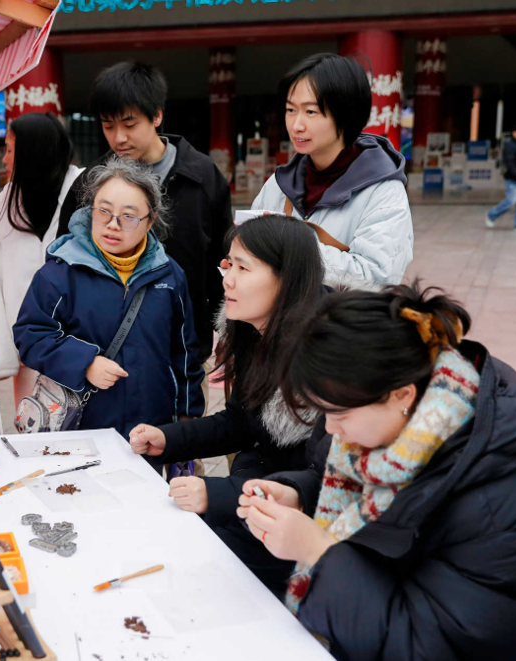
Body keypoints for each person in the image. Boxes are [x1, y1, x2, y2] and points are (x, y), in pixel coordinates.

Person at [237, 283, 516, 659]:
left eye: (339, 413)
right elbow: (371, 497)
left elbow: (427, 648)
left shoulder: (500, 513)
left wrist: (318, 552)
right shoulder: (392, 438)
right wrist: (300, 496)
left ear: (402, 395)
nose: (331, 428)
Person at [129, 214, 326, 597]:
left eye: (243, 268)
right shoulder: (257, 332)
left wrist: (218, 494)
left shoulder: (328, 354)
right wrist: (168, 439)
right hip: (253, 499)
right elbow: (239, 422)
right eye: (228, 265)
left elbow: (324, 479)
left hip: (297, 530)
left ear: (287, 278)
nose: (227, 280)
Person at [57, 62, 232, 369]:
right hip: (107, 354)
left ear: (157, 116)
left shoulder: (202, 177)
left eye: (129, 124)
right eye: (108, 126)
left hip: (184, 350)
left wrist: (228, 331)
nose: (119, 138)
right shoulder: (90, 185)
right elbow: (65, 265)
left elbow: (223, 262)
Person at [14, 157, 205, 439]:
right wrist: (85, 362)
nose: (113, 225)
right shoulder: (59, 274)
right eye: (103, 212)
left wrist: (187, 418)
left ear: (150, 221)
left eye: (128, 216)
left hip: (152, 429)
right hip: (84, 431)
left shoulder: (169, 275)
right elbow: (31, 335)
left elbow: (185, 352)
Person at [251, 53, 413, 285]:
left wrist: (294, 246)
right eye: (291, 110)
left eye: (310, 112)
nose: (296, 125)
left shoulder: (383, 192)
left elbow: (376, 278)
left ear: (346, 116)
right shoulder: (279, 185)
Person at [0, 112, 83, 408]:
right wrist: (4, 355)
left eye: (10, 150)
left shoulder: (85, 192)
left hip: (82, 351)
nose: (4, 159)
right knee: (33, 427)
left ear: (34, 152)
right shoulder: (6, 201)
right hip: (28, 353)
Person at [486, 121, 516, 232]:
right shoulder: (509, 146)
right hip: (513, 179)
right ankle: (491, 215)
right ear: (514, 133)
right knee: (511, 201)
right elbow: (509, 163)